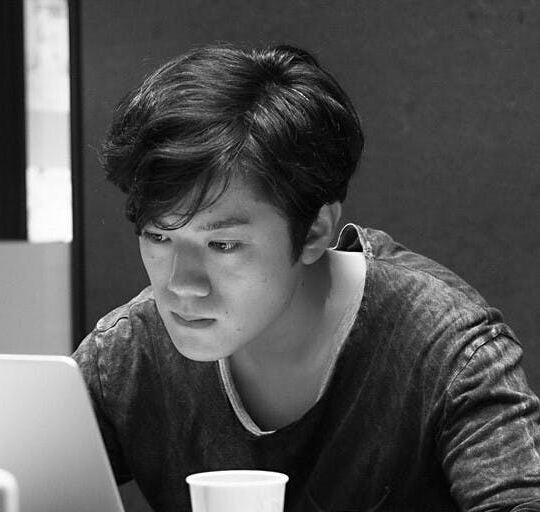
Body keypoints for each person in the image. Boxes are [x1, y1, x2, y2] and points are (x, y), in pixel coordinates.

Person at [72, 44, 540, 511]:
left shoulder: (447, 350)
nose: (181, 285)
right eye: (158, 236)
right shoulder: (130, 352)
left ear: (315, 231)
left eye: (223, 245)